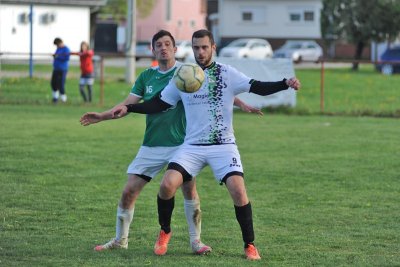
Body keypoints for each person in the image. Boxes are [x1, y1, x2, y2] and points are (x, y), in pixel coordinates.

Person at [111, 29, 301, 260]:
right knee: (166, 186)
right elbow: (159, 103)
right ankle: (165, 231)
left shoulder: (226, 73)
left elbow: (257, 86)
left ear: (213, 47)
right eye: (196, 47)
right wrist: (130, 107)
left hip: (223, 145)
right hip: (192, 146)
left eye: (204, 47)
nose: (200, 52)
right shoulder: (184, 75)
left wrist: (285, 83)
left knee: (238, 191)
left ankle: (249, 245)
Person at [79, 30, 261, 255]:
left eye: (168, 44)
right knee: (128, 192)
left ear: (175, 49)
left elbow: (216, 87)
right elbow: (129, 104)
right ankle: (120, 240)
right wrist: (102, 116)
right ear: (152, 49)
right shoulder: (146, 76)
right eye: (158, 45)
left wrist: (240, 103)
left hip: (182, 144)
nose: (163, 48)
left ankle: (196, 241)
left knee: (188, 191)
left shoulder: (188, 71)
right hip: (152, 144)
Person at [51, 37, 70, 103]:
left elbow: (66, 58)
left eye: (57, 44)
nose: (57, 46)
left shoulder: (66, 49)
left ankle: (63, 99)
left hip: (63, 69)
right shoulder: (58, 49)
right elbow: (56, 56)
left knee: (61, 84)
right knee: (53, 83)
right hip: (56, 68)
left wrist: (58, 56)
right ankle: (55, 98)